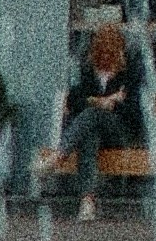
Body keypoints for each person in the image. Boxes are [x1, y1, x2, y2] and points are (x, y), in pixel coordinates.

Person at [42, 13, 138, 223]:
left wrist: (102, 104)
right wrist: (103, 100)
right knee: (89, 137)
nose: (105, 58)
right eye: (101, 51)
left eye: (109, 51)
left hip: (119, 132)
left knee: (93, 115)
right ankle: (87, 202)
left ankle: (60, 154)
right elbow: (74, 101)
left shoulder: (129, 73)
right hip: (94, 130)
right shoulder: (88, 71)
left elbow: (133, 113)